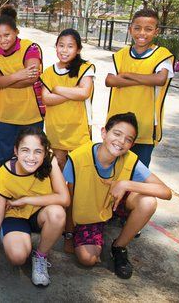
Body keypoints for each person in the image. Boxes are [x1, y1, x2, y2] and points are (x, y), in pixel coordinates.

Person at [62, 112, 172, 279]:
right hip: (89, 214)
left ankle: (119, 247)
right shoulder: (78, 157)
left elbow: (166, 192)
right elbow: (68, 200)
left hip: (114, 203)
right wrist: (69, 235)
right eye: (117, 134)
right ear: (104, 133)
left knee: (148, 202)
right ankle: (97, 228)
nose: (121, 141)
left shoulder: (129, 159)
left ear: (132, 144)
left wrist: (126, 184)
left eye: (128, 139)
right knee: (87, 258)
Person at [0, 127, 69, 287]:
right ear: (16, 151)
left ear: (45, 153)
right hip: (15, 216)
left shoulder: (50, 162)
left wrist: (25, 200)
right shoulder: (5, 173)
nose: (31, 157)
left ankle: (40, 256)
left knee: (57, 213)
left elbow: (64, 198)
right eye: (25, 150)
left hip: (39, 214)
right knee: (17, 257)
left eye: (38, 151)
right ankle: (12, 236)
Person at [105, 8, 174, 167]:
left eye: (148, 29)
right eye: (137, 28)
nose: (142, 33)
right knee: (114, 168)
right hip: (117, 123)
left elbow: (160, 79)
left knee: (138, 170)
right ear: (130, 29)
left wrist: (127, 75)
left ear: (156, 31)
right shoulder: (121, 54)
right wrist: (145, 79)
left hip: (145, 125)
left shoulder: (162, 55)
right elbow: (110, 81)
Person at [0, 5, 43, 165]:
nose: (3, 39)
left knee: (31, 158)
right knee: (3, 158)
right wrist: (18, 75)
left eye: (7, 35)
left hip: (30, 115)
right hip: (4, 115)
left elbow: (32, 77)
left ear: (16, 32)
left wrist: (5, 81)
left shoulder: (30, 47)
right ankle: (2, 189)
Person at [41, 28, 95, 169]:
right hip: (56, 128)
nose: (64, 50)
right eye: (61, 45)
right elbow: (46, 99)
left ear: (78, 49)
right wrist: (73, 92)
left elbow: (84, 93)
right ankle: (62, 191)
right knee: (59, 164)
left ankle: (75, 192)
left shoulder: (85, 68)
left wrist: (58, 89)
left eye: (70, 46)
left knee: (80, 166)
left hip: (78, 128)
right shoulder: (49, 72)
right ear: (56, 47)